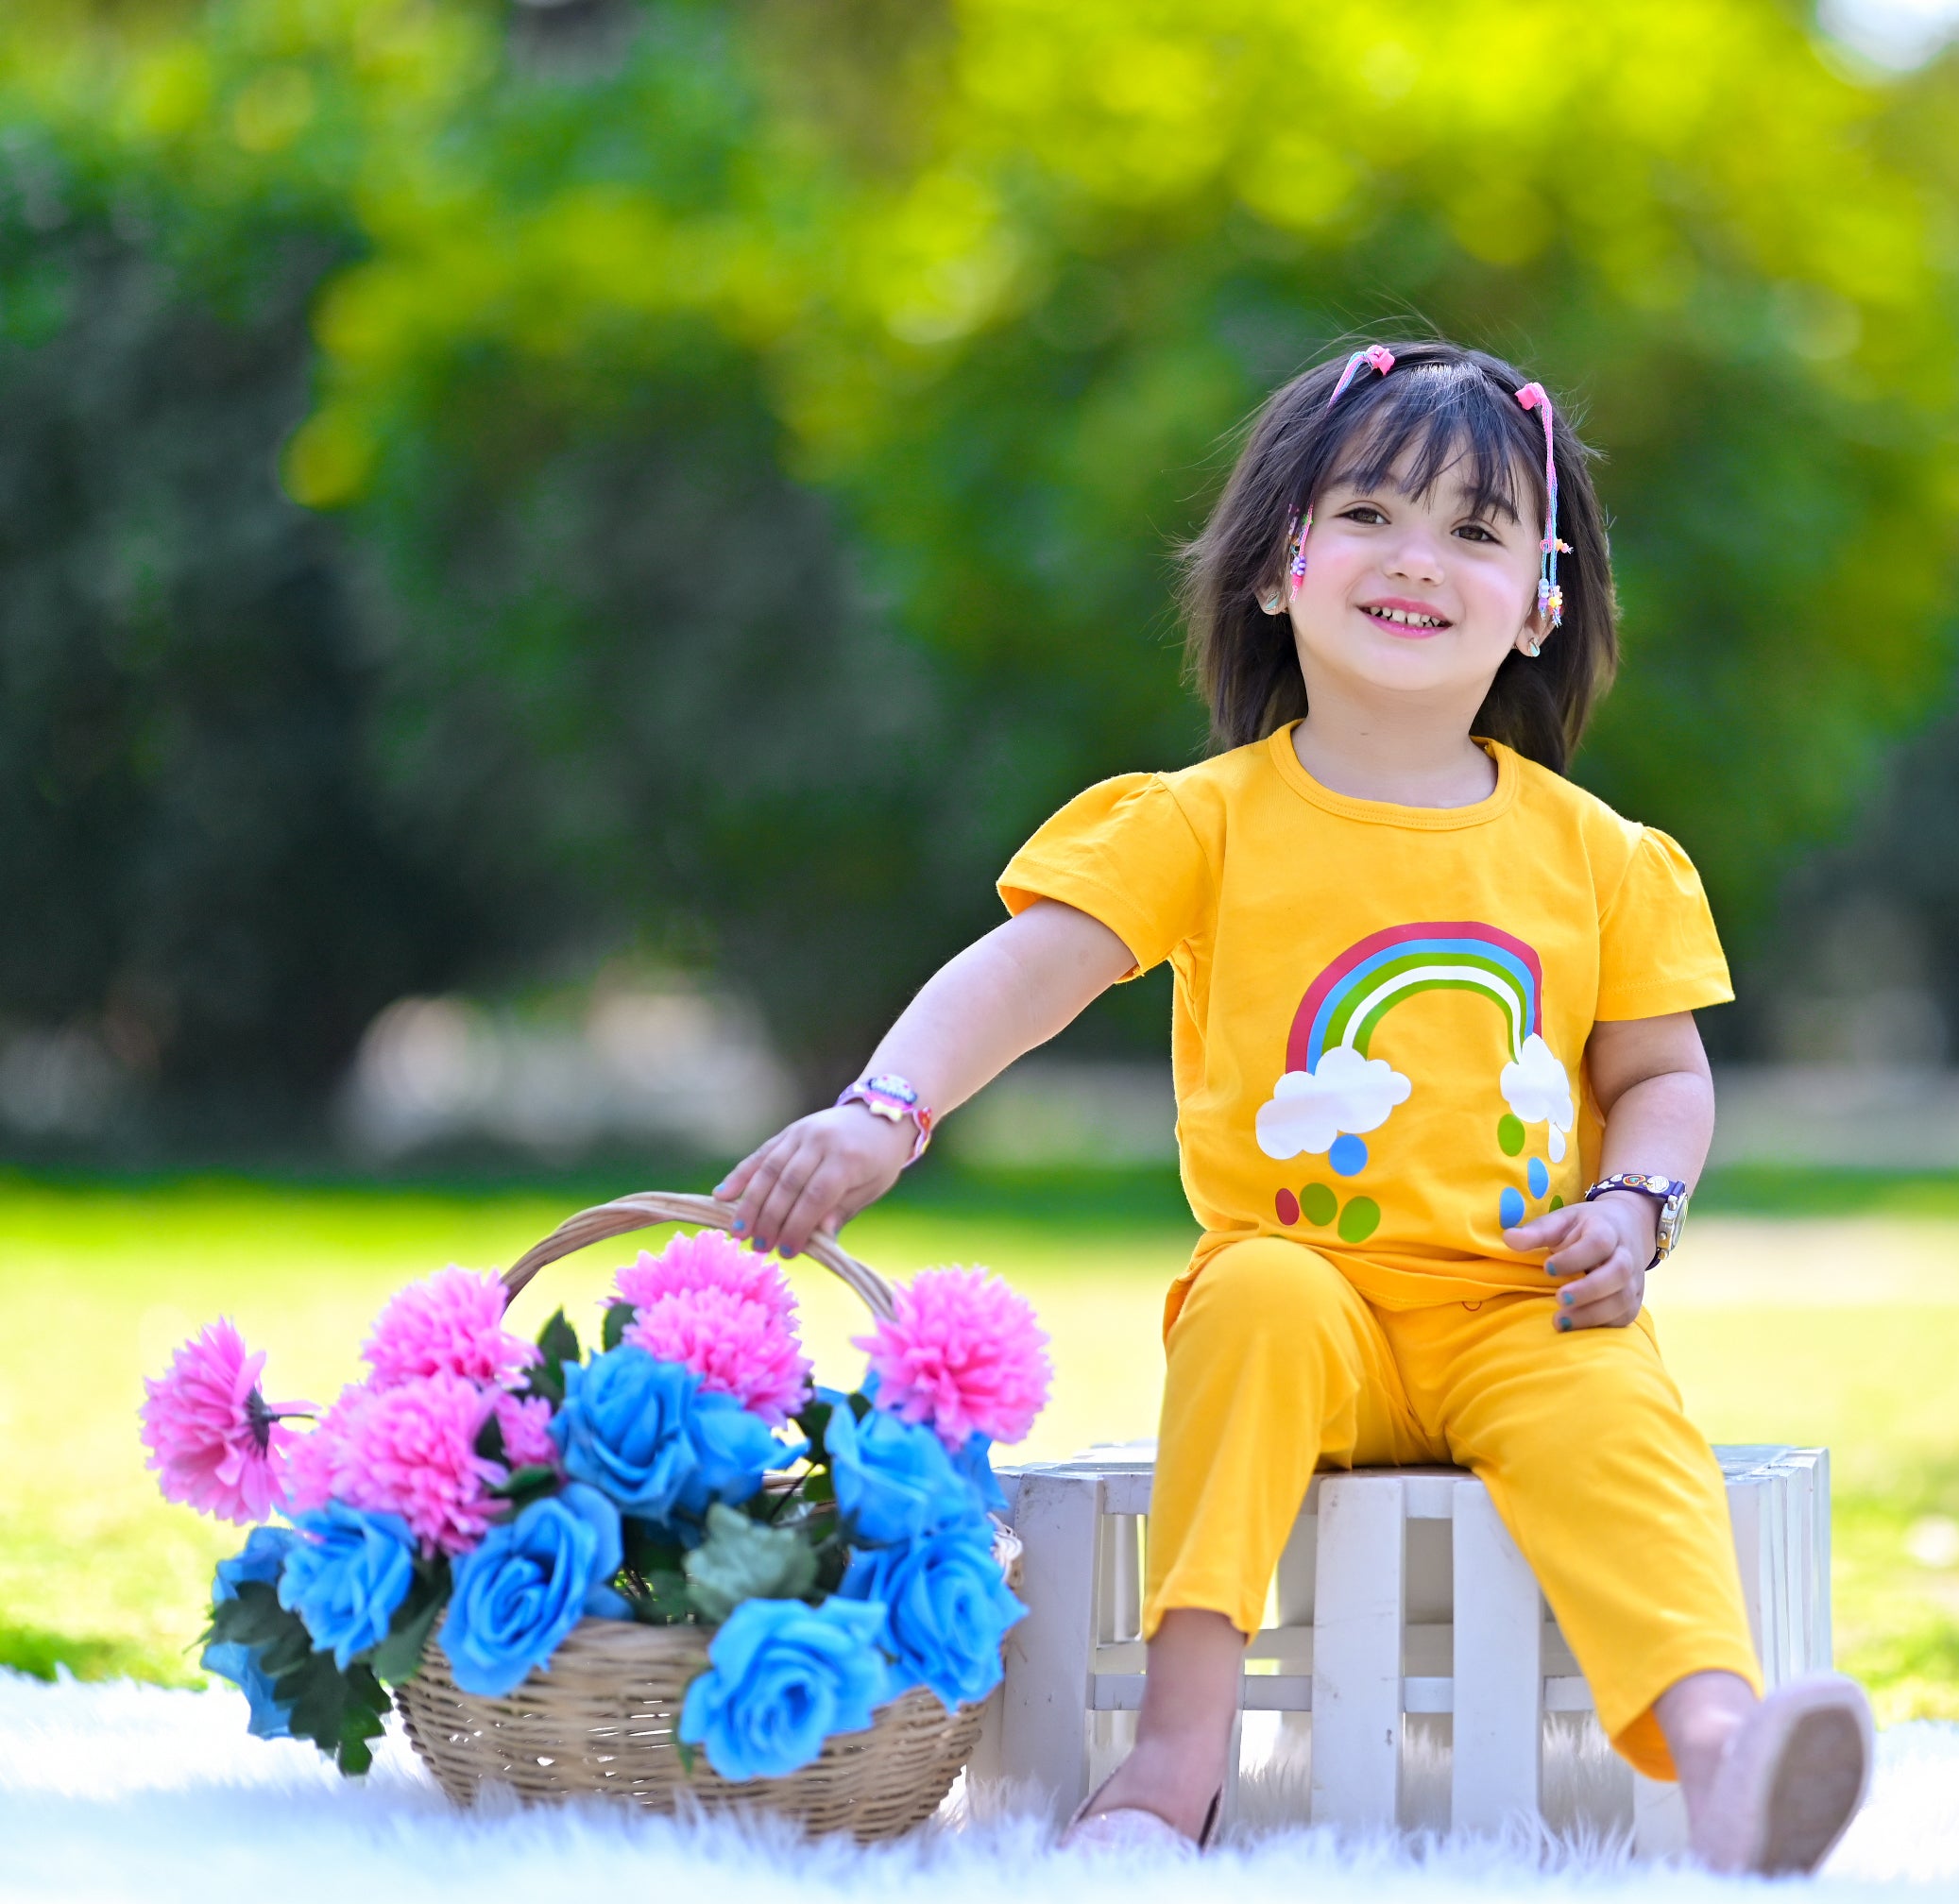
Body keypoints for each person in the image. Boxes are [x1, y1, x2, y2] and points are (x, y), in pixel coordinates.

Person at [716, 338, 1875, 1872]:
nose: (1419, 559)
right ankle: (1173, 1766)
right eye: (1375, 513)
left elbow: (1660, 1076)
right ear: (1280, 565)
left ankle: (1729, 1762)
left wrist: (1635, 1204)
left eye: (1476, 529)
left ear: (1541, 598)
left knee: (1621, 1420)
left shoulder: (1603, 857)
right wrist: (884, 1110)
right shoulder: (1205, 822)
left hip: (1523, 1303)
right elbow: (1027, 971)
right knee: (1252, 1296)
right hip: (1305, 1292)